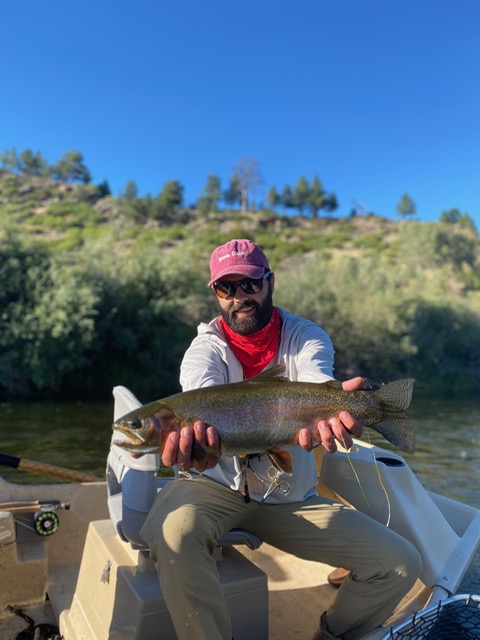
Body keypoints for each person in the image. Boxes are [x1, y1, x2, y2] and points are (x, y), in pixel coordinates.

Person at [139, 239, 422, 640]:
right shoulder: (204, 349)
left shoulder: (306, 335)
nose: (240, 297)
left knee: (400, 563)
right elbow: (200, 392)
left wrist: (340, 406)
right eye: (227, 288)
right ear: (216, 294)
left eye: (250, 284)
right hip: (212, 487)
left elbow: (314, 379)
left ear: (270, 282)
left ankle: (331, 634)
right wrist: (195, 448)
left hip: (289, 496)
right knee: (173, 535)